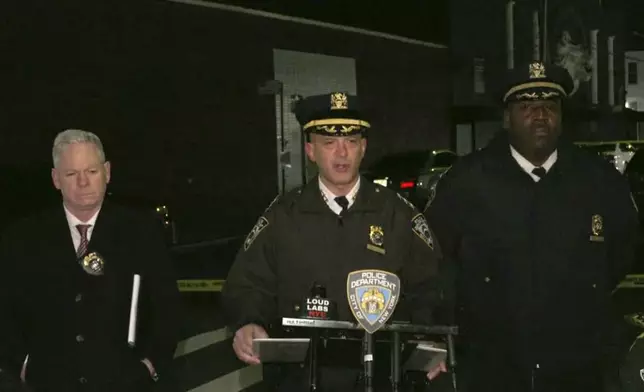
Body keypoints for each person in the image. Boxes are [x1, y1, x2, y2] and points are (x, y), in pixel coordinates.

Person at [424, 61, 641, 392]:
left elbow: (623, 253)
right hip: (491, 363)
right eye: (527, 107)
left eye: (549, 106)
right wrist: (440, 338)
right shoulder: (466, 183)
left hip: (579, 363)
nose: (540, 115)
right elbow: (433, 260)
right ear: (506, 117)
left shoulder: (599, 182)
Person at [222, 92, 447, 391]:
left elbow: (433, 284)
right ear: (310, 151)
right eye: (329, 143)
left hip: (382, 376)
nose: (341, 153)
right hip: (302, 378)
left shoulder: (398, 215)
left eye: (351, 142)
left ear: (363, 148)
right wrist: (248, 322)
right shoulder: (283, 216)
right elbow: (247, 282)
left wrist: (431, 340)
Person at [0, 129, 181, 392]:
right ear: (56, 179)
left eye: (92, 172)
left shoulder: (141, 231)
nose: (83, 182)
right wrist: (20, 365)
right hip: (46, 384)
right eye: (72, 174)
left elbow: (168, 307)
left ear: (107, 172)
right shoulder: (22, 237)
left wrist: (149, 365)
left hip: (125, 383)